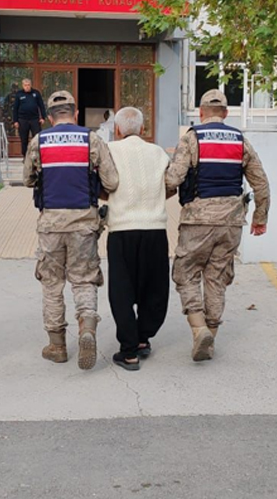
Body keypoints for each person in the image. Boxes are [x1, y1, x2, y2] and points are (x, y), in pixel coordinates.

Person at [165, 89, 270, 362]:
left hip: (197, 220)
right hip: (231, 223)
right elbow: (261, 183)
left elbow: (173, 179)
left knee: (186, 273)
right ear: (225, 113)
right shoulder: (240, 140)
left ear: (201, 113)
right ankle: (210, 336)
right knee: (217, 277)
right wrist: (260, 218)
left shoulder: (192, 138)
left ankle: (199, 328)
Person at [24, 90, 119, 370]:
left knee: (52, 284)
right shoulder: (92, 139)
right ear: (75, 114)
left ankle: (57, 346)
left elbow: (28, 179)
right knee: (84, 279)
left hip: (51, 224)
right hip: (84, 223)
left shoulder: (38, 141)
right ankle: (87, 327)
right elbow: (112, 182)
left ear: (49, 117)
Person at [103, 107, 170, 370]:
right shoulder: (158, 152)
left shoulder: (109, 150)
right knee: (153, 287)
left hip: (121, 229)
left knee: (122, 290)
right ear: (143, 129)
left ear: (117, 129)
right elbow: (171, 184)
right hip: (155, 228)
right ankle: (143, 338)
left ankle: (129, 351)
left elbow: (102, 183)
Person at [12, 78, 46, 158]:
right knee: (24, 139)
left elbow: (41, 105)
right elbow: (15, 108)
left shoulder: (36, 93)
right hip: (22, 120)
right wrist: (15, 121)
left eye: (28, 85)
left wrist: (43, 117)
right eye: (25, 85)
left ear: (31, 85)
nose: (27, 87)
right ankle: (25, 157)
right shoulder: (19, 94)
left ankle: (37, 156)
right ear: (22, 86)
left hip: (35, 119)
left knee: (37, 138)